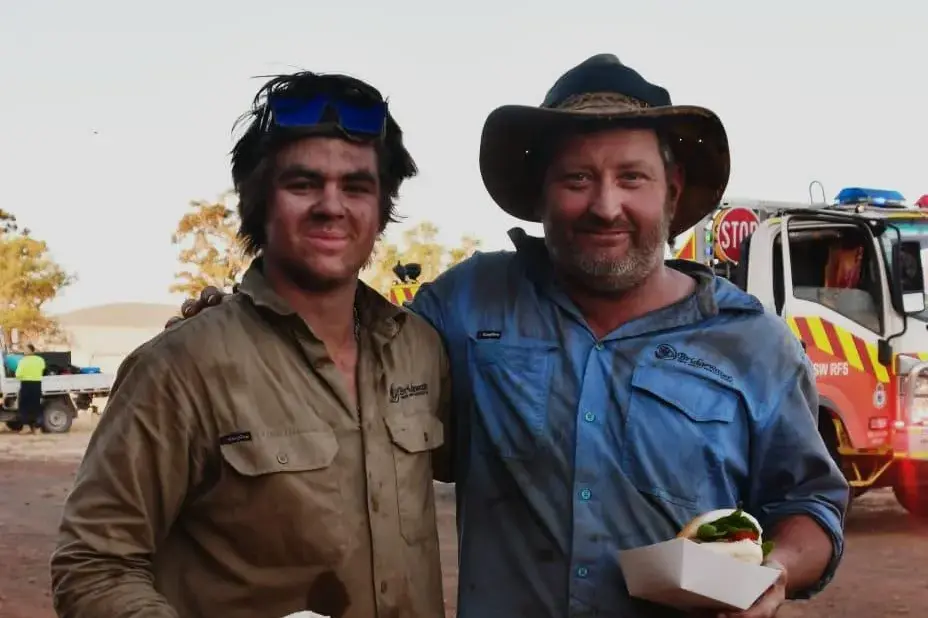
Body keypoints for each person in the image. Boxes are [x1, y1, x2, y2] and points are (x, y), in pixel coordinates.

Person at [176, 54, 851, 618]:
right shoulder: (468, 305)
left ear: (671, 190)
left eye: (632, 178)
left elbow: (809, 503)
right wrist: (236, 324)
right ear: (541, 192)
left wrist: (779, 570)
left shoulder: (751, 343)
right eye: (577, 179)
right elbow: (337, 351)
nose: (605, 205)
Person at [50, 70, 450, 618]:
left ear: (382, 210)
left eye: (356, 187)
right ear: (259, 199)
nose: (332, 206)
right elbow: (93, 565)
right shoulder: (180, 368)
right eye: (303, 184)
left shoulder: (421, 350)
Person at [15, 343, 45, 432]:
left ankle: (25, 427)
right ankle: (37, 428)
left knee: (24, 406)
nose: (24, 351)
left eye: (25, 349)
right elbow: (43, 369)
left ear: (30, 350)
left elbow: (18, 375)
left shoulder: (22, 361)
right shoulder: (40, 360)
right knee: (36, 405)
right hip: (37, 384)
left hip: (26, 384)